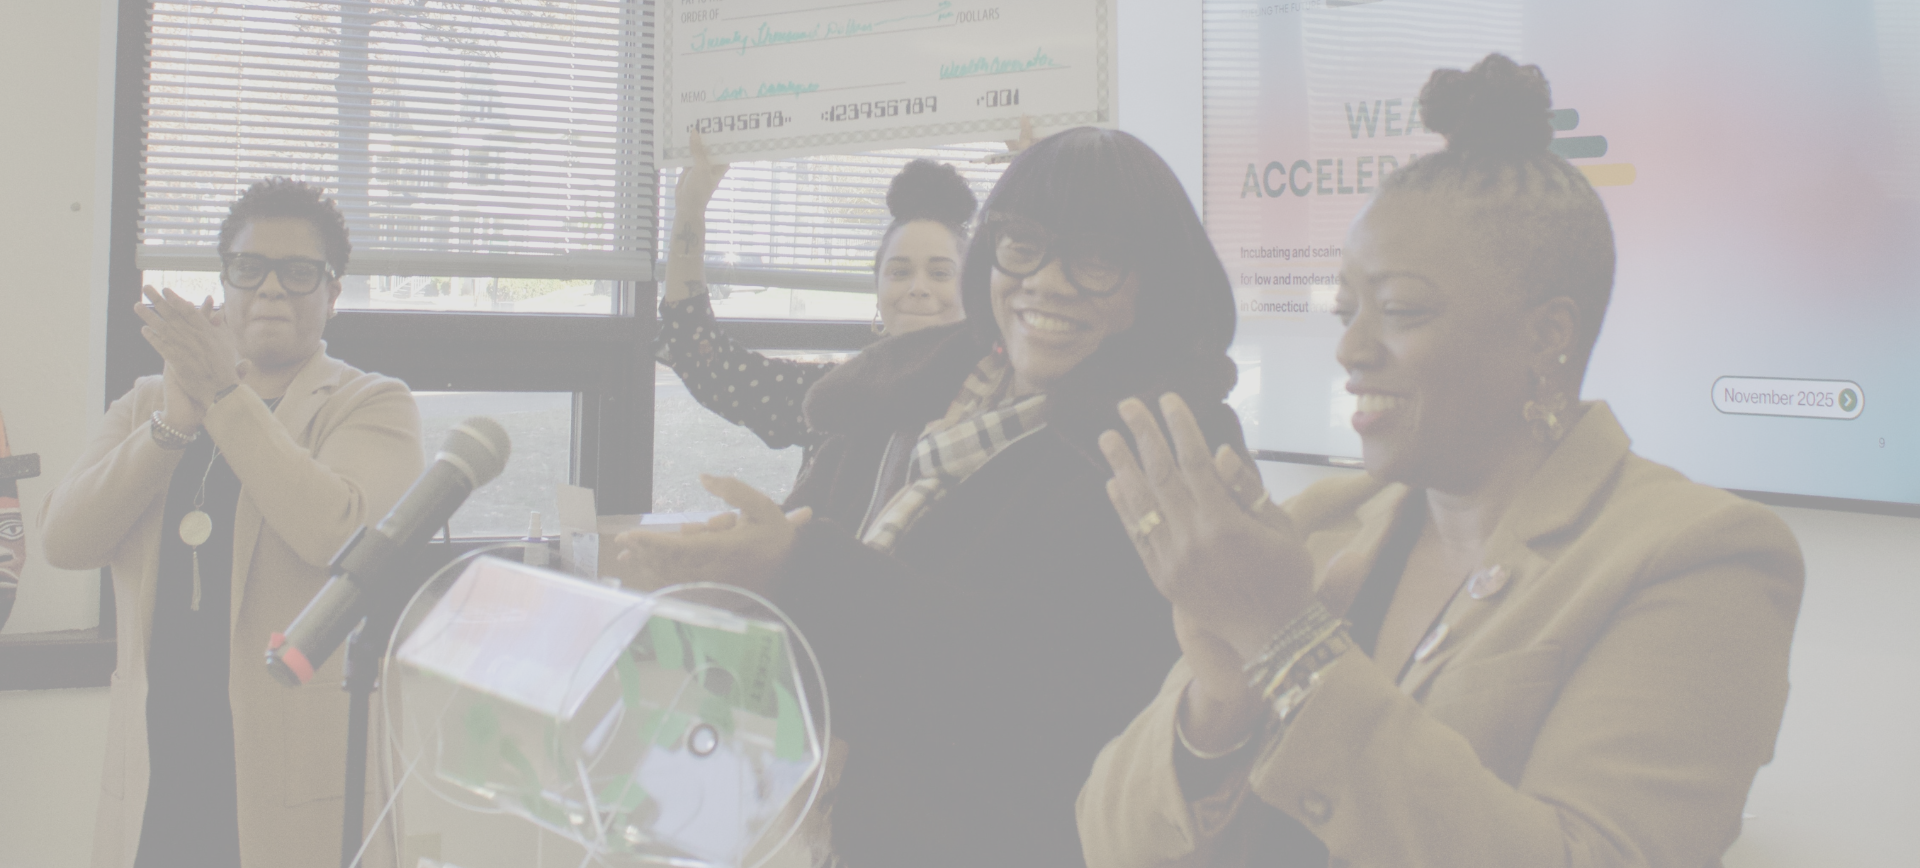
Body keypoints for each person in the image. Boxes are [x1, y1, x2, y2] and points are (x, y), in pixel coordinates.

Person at [1078, 55, 1805, 868]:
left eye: (1401, 310)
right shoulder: (1320, 526)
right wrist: (1221, 698)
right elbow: (1110, 840)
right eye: (1348, 310)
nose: (1351, 349)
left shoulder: (1701, 555)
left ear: (1546, 335)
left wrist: (1289, 649)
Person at [617, 127, 1251, 867]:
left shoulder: (1170, 449)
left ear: (1155, 283)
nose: (1047, 281)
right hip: (799, 820)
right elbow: (785, 531)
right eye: (1025, 245)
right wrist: (739, 580)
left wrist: (800, 569)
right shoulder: (892, 389)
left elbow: (1062, 695)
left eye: (1096, 259)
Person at [39, 179, 423, 868]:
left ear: (332, 294)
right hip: (158, 775)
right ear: (225, 285)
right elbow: (67, 540)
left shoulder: (372, 404)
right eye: (250, 269)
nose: (271, 289)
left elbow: (336, 533)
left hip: (287, 787)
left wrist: (223, 392)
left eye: (298, 273)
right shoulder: (147, 403)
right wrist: (171, 427)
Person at [657, 133, 978, 453]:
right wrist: (690, 211)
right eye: (900, 272)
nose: (918, 287)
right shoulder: (836, 397)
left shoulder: (1000, 395)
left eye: (939, 273)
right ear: (877, 289)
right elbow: (706, 360)